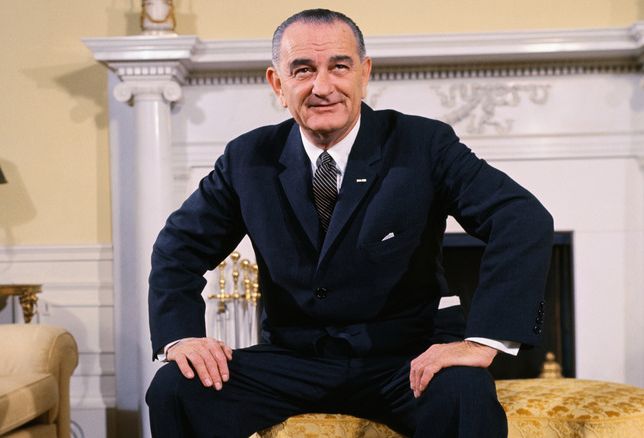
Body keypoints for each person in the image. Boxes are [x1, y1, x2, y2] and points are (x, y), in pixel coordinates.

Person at [146, 8, 553, 438]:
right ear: (278, 85)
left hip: (407, 358)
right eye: (303, 70)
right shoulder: (247, 158)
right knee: (176, 388)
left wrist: (483, 341)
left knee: (464, 392)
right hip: (293, 360)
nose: (323, 87)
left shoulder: (424, 144)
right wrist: (181, 337)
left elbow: (520, 217)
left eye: (339, 67)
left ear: (364, 73)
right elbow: (178, 248)